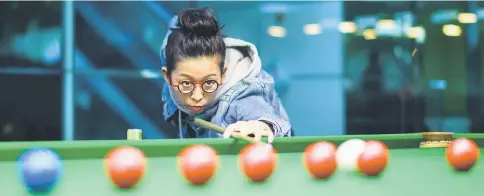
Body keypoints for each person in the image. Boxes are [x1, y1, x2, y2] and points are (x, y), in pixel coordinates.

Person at [160, 8, 292, 143]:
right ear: (167, 76)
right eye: (186, 83)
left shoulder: (242, 96)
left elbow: (261, 115)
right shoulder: (173, 57)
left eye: (209, 82)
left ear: (222, 74)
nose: (197, 97)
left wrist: (260, 125)